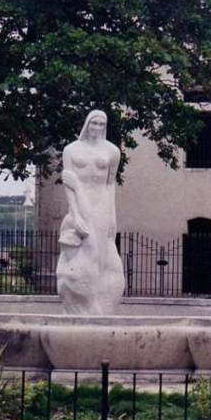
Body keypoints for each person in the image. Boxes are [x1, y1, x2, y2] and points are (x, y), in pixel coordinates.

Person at [55, 110, 125, 315]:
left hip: (101, 202)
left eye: (101, 124)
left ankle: (100, 304)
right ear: (87, 124)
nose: (96, 128)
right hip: (80, 202)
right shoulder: (71, 150)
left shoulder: (112, 151)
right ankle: (83, 303)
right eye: (93, 123)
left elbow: (110, 184)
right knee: (84, 252)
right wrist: (75, 216)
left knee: (101, 252)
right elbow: (68, 184)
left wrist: (112, 216)